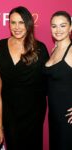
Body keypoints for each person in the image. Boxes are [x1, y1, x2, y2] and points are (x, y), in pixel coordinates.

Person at [0, 6, 49, 150]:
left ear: (28, 24)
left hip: (33, 110)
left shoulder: (40, 48)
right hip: (9, 109)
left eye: (21, 23)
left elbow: (52, 79)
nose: (17, 27)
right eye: (13, 22)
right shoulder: (0, 46)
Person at [45, 11, 72, 150]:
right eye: (54, 26)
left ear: (70, 27)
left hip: (68, 117)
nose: (58, 30)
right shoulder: (53, 50)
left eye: (63, 25)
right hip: (54, 114)